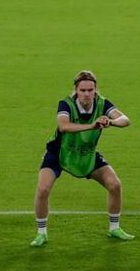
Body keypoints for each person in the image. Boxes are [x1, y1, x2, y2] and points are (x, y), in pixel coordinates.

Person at [31, 70, 133, 246]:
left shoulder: (102, 104)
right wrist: (92, 125)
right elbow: (63, 126)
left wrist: (111, 122)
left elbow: (125, 120)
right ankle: (41, 233)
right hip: (59, 153)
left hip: (86, 153)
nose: (87, 94)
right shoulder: (66, 104)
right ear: (76, 91)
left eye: (90, 90)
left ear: (95, 90)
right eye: (83, 90)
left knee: (114, 185)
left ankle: (114, 228)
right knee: (43, 189)